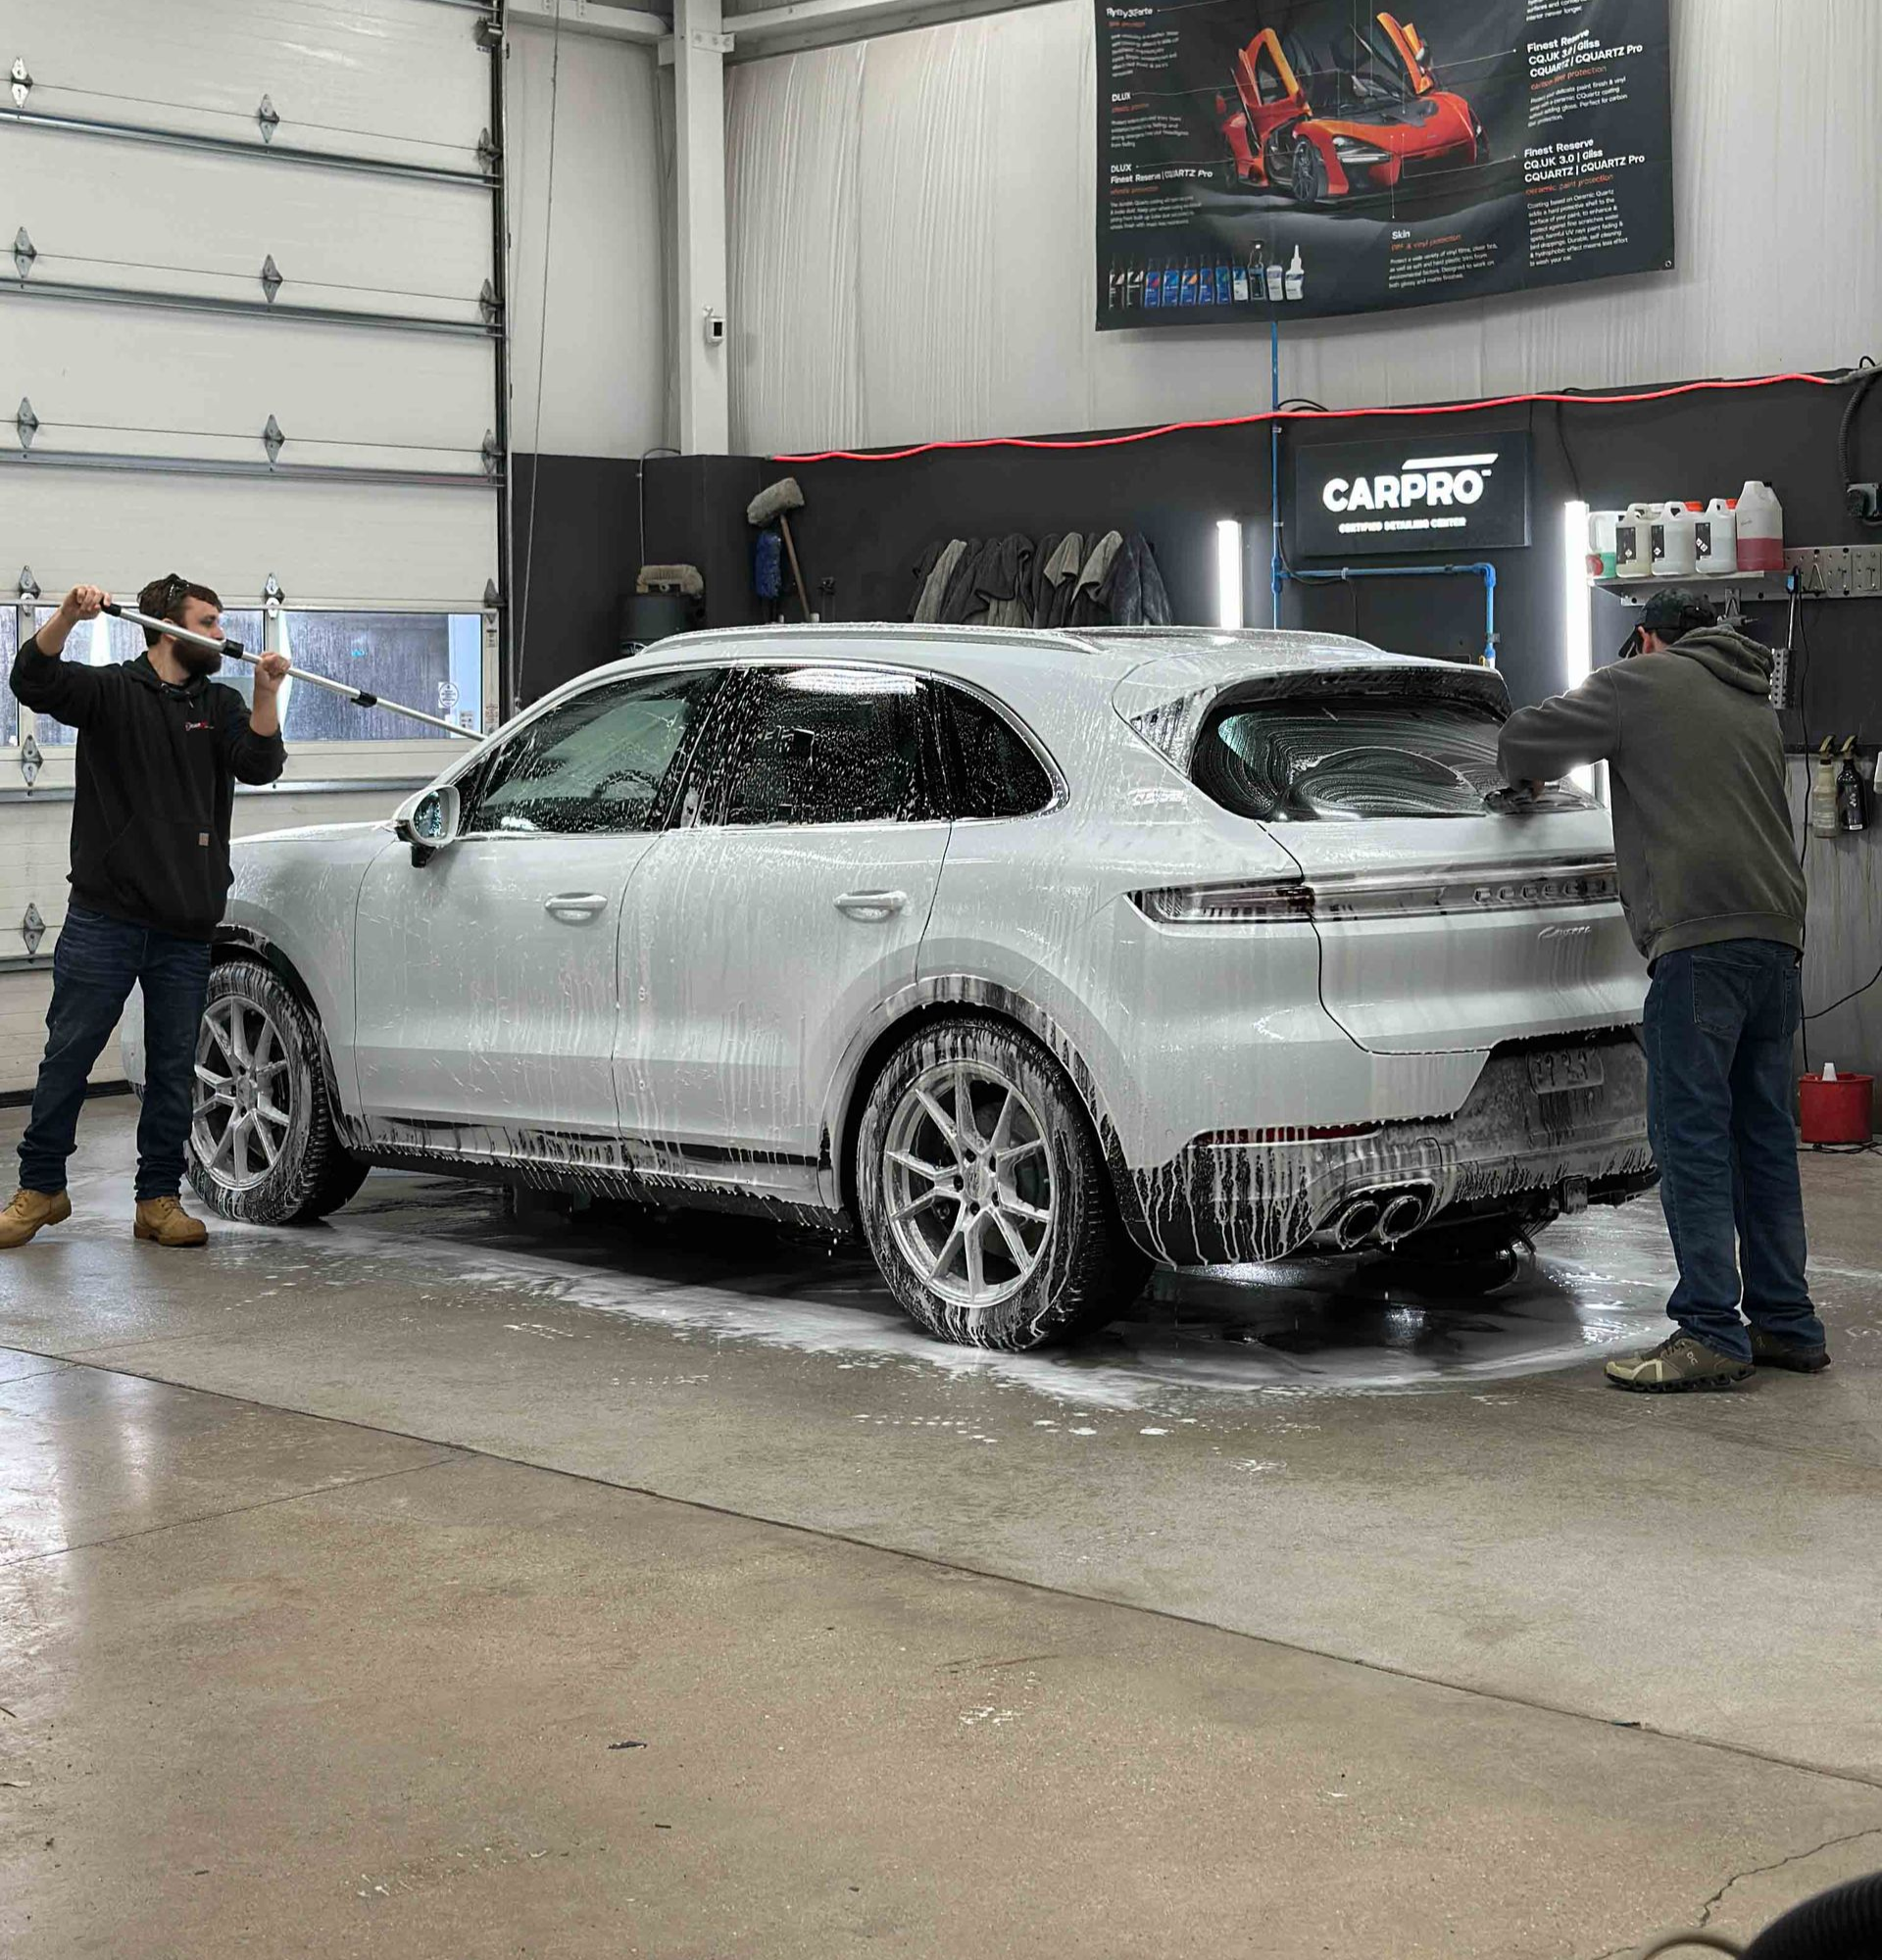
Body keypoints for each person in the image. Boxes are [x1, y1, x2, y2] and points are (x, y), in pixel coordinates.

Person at [1497, 588, 1828, 1391]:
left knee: (1693, 1140)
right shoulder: (1753, 698)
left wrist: (1525, 781)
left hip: (1699, 946)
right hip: (1774, 941)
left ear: (1645, 638)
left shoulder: (1635, 684)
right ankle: (1786, 1323)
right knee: (1763, 1139)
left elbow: (1522, 740)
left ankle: (1710, 1329)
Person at [1, 576, 290, 1250]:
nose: (220, 635)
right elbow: (30, 680)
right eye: (208, 623)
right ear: (168, 627)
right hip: (106, 918)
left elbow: (260, 764)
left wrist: (268, 693)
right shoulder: (110, 692)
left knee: (171, 1070)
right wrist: (68, 614)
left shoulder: (218, 704)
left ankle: (157, 1200)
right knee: (68, 1057)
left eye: (221, 624)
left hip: (184, 927)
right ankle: (41, 1189)